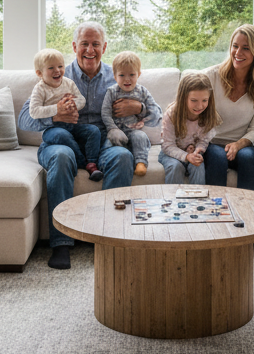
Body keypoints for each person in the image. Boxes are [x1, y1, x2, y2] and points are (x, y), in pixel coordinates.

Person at [18, 22, 139, 270]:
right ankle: (61, 243)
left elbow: (156, 112)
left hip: (100, 139)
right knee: (62, 157)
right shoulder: (55, 73)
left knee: (122, 156)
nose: (90, 50)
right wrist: (55, 116)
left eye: (96, 44)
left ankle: (110, 237)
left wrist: (138, 108)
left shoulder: (117, 77)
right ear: (75, 46)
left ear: (104, 47)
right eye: (85, 43)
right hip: (59, 138)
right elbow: (24, 119)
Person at [201, 24, 254, 191]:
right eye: (235, 46)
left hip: (240, 144)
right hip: (211, 142)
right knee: (218, 158)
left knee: (248, 158)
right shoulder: (211, 77)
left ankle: (248, 212)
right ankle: (216, 213)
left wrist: (238, 144)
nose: (238, 53)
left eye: (246, 48)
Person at [28, 48, 104, 182]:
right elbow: (34, 111)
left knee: (94, 131)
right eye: (51, 68)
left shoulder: (68, 83)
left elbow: (82, 100)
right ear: (39, 73)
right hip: (53, 129)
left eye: (60, 66)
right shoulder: (40, 89)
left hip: (73, 125)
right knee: (61, 135)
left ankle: (92, 163)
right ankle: (83, 162)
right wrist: (57, 109)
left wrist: (72, 103)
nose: (57, 70)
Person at [101, 50, 162, 176]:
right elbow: (105, 112)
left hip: (134, 130)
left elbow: (155, 113)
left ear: (139, 74)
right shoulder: (112, 92)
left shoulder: (142, 92)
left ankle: (140, 162)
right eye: (122, 75)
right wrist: (112, 128)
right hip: (117, 130)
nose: (127, 79)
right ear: (115, 76)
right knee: (109, 143)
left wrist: (142, 113)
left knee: (140, 137)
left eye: (132, 75)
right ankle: (105, 164)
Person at [158, 71, 221, 186]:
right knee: (175, 166)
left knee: (198, 166)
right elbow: (167, 145)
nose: (200, 106)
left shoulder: (208, 115)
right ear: (183, 98)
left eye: (204, 100)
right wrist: (186, 156)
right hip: (171, 154)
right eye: (194, 100)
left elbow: (204, 141)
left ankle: (197, 202)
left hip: (192, 153)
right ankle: (173, 201)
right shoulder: (172, 114)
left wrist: (197, 151)